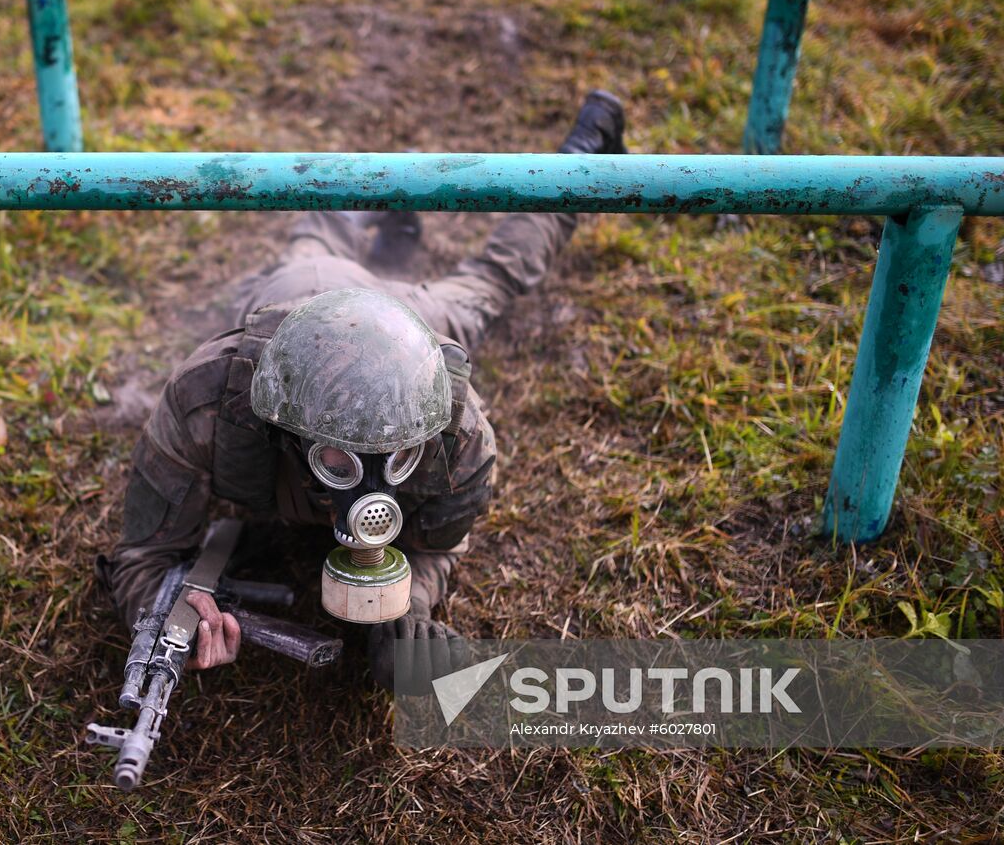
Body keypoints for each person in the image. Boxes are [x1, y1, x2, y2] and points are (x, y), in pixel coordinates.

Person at [100, 91, 627, 690]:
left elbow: (439, 545)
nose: (372, 489)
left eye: (399, 457)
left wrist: (412, 610)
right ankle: (372, 194)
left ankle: (581, 152)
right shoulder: (211, 403)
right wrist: (166, 618)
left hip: (401, 315)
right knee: (315, 246)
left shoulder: (456, 433)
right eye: (338, 460)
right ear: (282, 430)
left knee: (490, 285)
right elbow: (141, 556)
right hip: (303, 293)